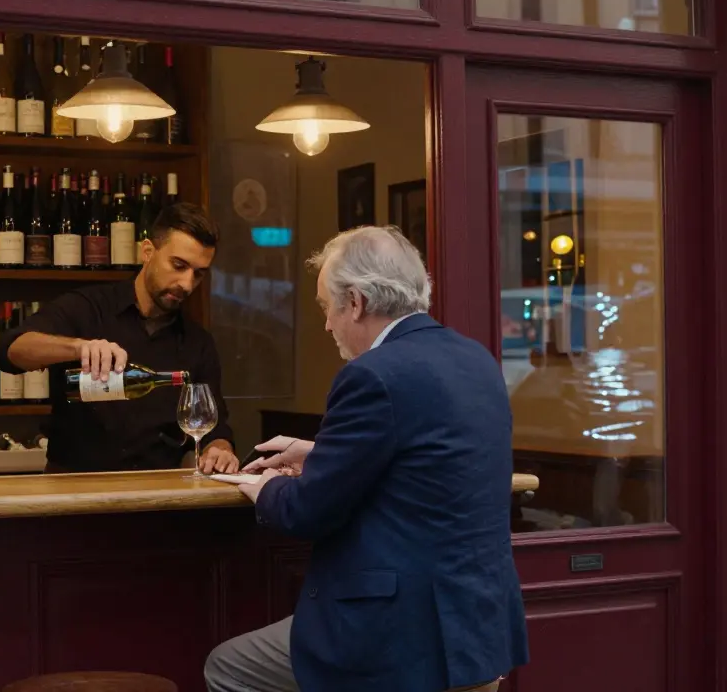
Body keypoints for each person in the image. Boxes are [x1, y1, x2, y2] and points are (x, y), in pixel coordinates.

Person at [204, 226, 528, 692]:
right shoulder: (476, 359)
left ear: (354, 302)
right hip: (478, 631)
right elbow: (432, 457)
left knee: (228, 668)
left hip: (398, 639)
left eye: (326, 308)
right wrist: (319, 451)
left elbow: (305, 512)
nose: (327, 325)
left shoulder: (371, 375)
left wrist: (264, 487)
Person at [0, 203, 240, 474]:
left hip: (156, 497)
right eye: (178, 265)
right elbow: (9, 350)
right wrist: (78, 346)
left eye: (199, 273)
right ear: (148, 251)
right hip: (74, 494)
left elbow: (214, 429)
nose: (186, 283)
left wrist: (220, 450)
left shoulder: (197, 342)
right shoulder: (88, 308)